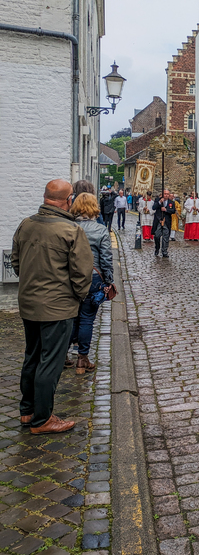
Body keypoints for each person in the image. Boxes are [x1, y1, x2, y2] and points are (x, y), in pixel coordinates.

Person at [11, 179, 93, 434]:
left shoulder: (26, 225)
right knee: (51, 362)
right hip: (57, 307)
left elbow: (15, 261)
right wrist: (78, 297)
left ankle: (28, 411)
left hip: (29, 303)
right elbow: (82, 273)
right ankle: (43, 419)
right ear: (68, 200)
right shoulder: (71, 230)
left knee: (32, 356)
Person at [69, 193, 114, 373]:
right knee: (87, 318)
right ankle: (82, 358)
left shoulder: (68, 227)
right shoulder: (100, 230)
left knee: (72, 316)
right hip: (93, 276)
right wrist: (109, 281)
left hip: (71, 276)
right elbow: (106, 258)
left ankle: (64, 354)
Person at [152, 190, 176, 257]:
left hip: (166, 222)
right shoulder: (158, 200)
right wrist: (159, 203)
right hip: (158, 221)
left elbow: (173, 211)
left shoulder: (171, 202)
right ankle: (157, 248)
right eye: (165, 194)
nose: (166, 195)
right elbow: (153, 207)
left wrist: (166, 210)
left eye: (167, 194)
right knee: (157, 235)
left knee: (166, 237)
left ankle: (164, 251)